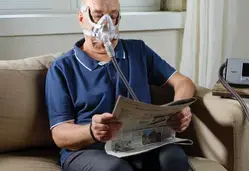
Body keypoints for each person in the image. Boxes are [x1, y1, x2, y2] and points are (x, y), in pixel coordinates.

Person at [45, 0, 196, 170]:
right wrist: (92, 132)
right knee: (116, 169)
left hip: (140, 142)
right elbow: (60, 134)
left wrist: (180, 108)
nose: (106, 23)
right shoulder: (63, 68)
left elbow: (183, 82)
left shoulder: (137, 51)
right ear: (81, 18)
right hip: (90, 149)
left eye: (113, 16)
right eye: (98, 16)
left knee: (173, 158)